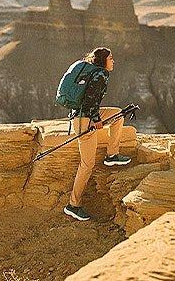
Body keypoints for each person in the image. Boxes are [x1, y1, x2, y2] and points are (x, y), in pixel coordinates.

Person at [63, 47, 131, 221]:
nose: (113, 61)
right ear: (103, 61)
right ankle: (73, 205)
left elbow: (88, 100)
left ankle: (112, 154)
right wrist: (95, 119)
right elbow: (90, 100)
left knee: (118, 115)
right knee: (87, 164)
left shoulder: (94, 72)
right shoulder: (100, 75)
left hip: (82, 116)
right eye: (110, 58)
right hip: (84, 120)